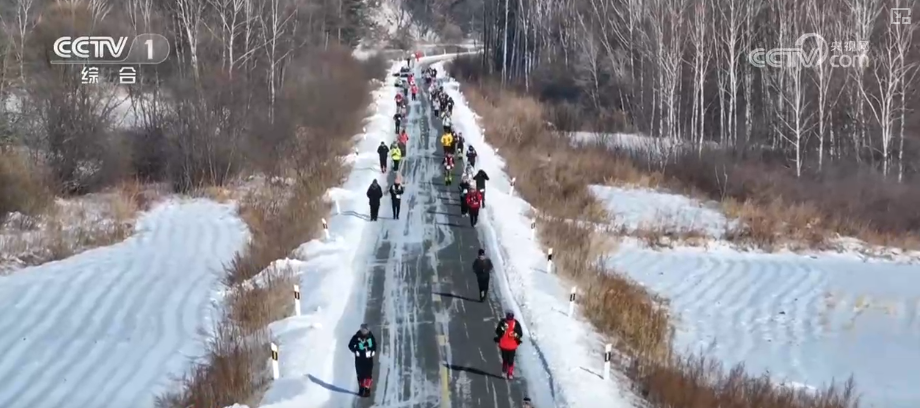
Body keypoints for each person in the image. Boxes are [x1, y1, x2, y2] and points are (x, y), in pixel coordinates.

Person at [349, 323, 377, 397]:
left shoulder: (370, 337)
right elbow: (350, 345)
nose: (364, 332)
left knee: (368, 375)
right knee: (360, 375)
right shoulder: (357, 337)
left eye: (365, 330)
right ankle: (361, 389)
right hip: (359, 359)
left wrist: (372, 351)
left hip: (368, 359)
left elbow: (374, 345)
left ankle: (367, 390)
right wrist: (355, 351)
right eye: (363, 330)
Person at [494, 312, 523, 379]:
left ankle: (505, 370)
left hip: (504, 345)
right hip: (512, 346)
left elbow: (498, 331)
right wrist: (514, 335)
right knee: (511, 360)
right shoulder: (515, 323)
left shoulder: (503, 322)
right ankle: (510, 373)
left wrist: (502, 331)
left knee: (505, 359)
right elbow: (520, 334)